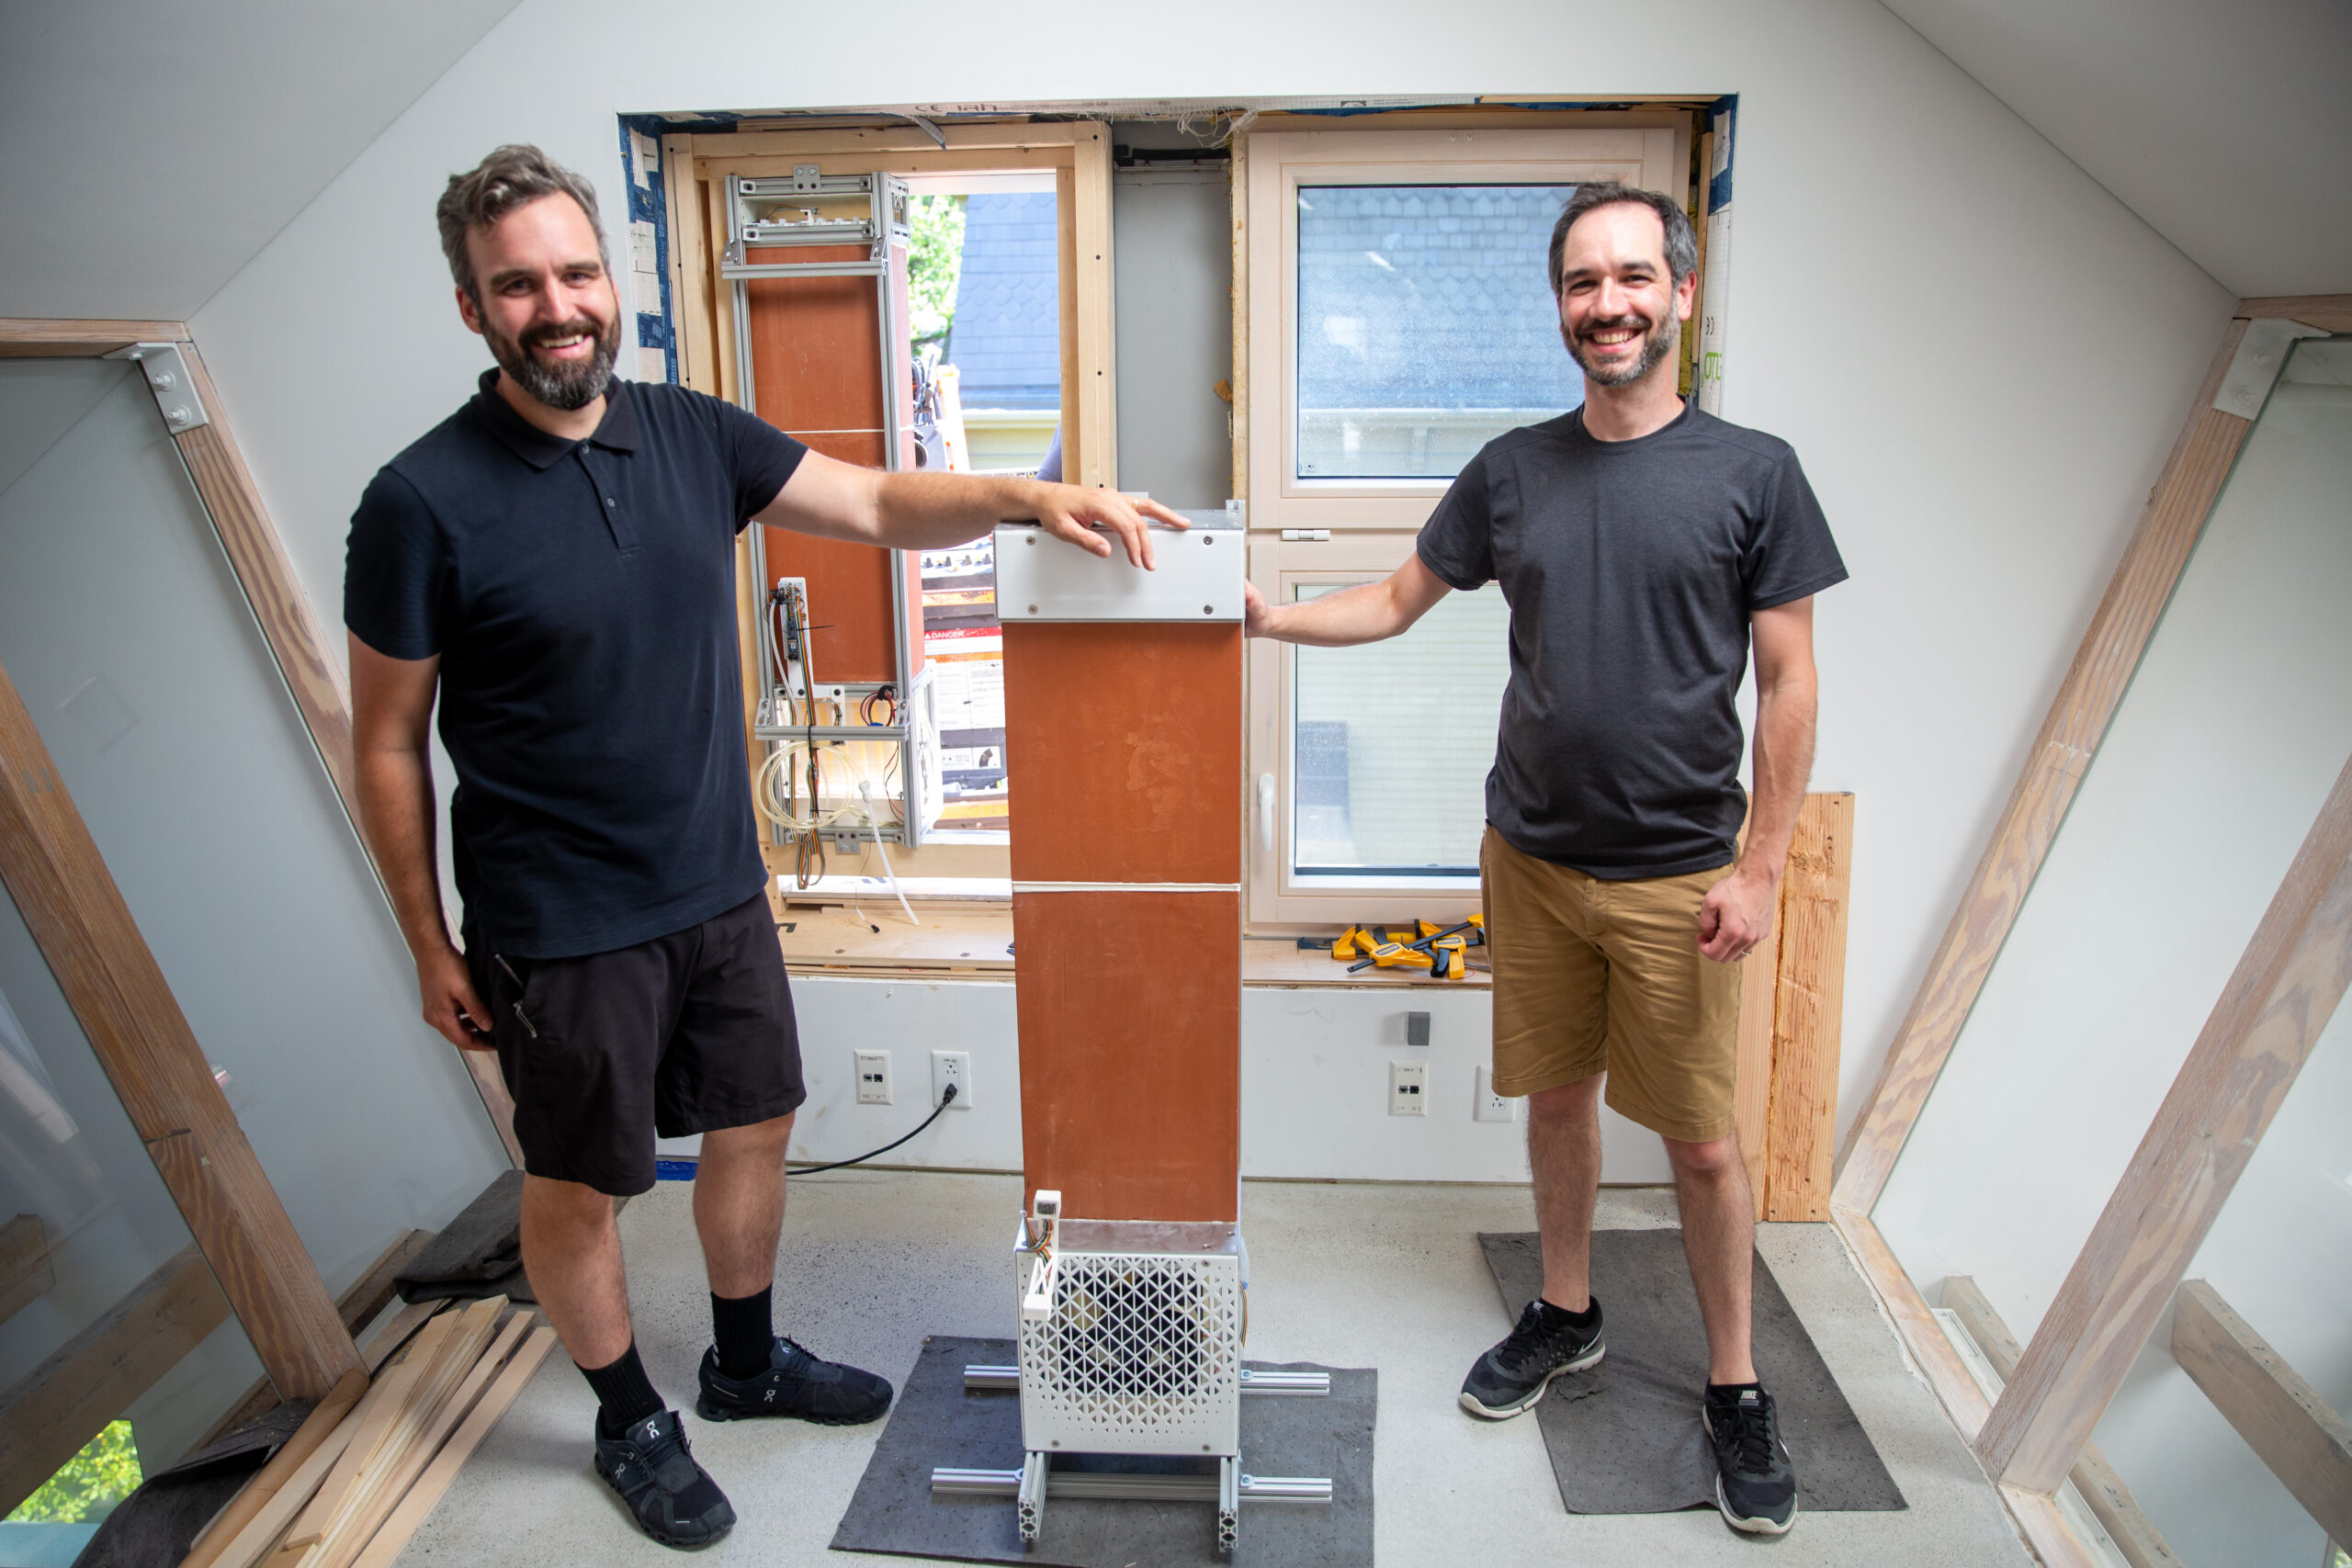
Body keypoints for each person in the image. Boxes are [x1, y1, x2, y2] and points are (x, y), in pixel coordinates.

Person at [345, 144, 1182, 1550]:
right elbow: (384, 740)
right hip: (556, 919)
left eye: (576, 273)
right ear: (471, 309)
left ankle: (743, 1366)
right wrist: (428, 942)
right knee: (580, 1181)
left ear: (609, 282)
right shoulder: (420, 501)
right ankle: (631, 1418)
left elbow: (869, 504)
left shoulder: (687, 432)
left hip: (718, 886)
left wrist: (1029, 498)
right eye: (517, 286)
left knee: (757, 1120)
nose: (557, 306)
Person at [1243, 182, 1845, 1537]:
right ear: (1560, 306)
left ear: (1681, 294)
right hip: (1531, 857)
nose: (1609, 304)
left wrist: (1763, 866)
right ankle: (1567, 1312)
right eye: (1584, 282)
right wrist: (1273, 620)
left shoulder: (1756, 472)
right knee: (1557, 1102)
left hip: (1683, 873)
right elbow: (1400, 600)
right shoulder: (1513, 469)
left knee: (1697, 1145)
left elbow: (1791, 682)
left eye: (1635, 277)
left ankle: (1736, 1383)